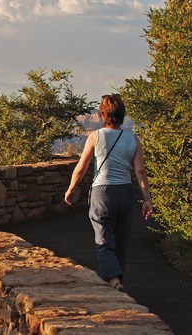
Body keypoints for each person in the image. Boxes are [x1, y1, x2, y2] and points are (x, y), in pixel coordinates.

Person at [64, 94, 153, 292]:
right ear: (122, 114)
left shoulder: (96, 136)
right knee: (121, 240)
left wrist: (71, 189)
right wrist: (146, 199)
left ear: (103, 114)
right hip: (126, 192)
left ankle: (113, 280)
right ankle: (118, 280)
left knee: (103, 238)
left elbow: (81, 167)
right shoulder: (133, 139)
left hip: (102, 193)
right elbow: (140, 171)